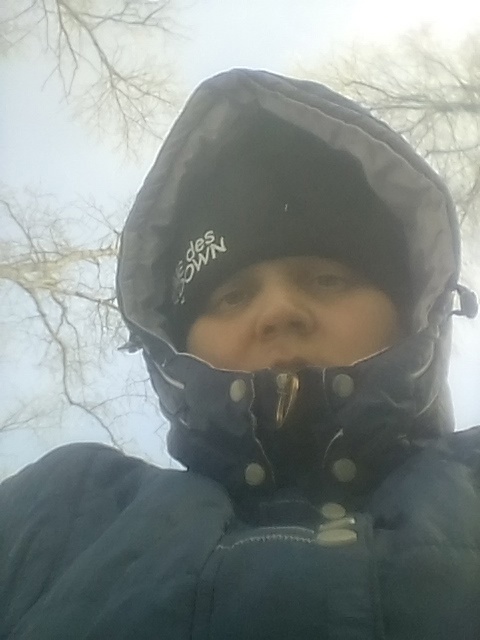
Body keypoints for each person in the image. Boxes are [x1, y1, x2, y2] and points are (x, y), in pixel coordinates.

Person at [1, 68, 479, 639]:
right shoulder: (65, 507)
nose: (278, 311)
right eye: (231, 296)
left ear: (411, 313)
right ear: (176, 350)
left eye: (327, 279)